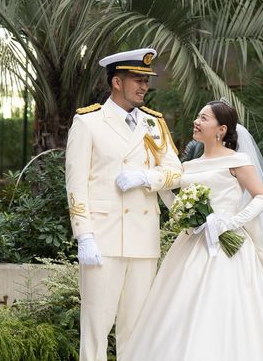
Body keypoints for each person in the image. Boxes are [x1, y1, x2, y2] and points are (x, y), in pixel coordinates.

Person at [124, 99, 263, 361]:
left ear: (221, 129)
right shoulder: (187, 167)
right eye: (197, 116)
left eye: (203, 118)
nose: (196, 122)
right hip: (192, 244)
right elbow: (177, 203)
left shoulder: (238, 160)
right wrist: (162, 190)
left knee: (232, 307)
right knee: (179, 306)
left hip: (229, 245)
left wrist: (230, 222)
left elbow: (262, 197)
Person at [65, 47, 182, 361]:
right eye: (137, 80)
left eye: (146, 81)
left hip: (143, 239)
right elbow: (76, 185)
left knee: (137, 329)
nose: (144, 87)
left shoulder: (153, 124)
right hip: (103, 238)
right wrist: (84, 235)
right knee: (96, 328)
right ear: (117, 82)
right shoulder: (89, 122)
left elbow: (176, 171)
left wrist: (147, 177)